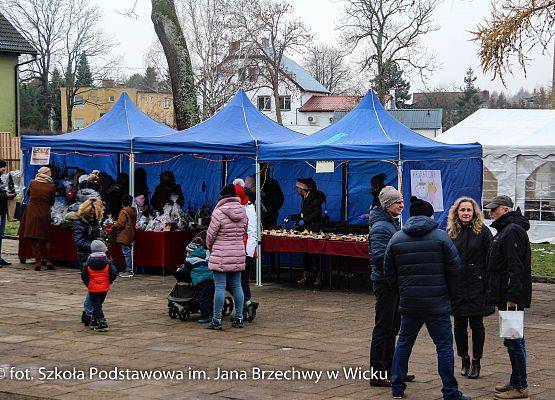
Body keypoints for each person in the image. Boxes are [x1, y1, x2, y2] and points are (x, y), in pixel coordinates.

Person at [384, 196, 471, 400]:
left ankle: (397, 388)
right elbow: (455, 269)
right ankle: (450, 391)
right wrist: (448, 295)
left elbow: (389, 272)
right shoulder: (441, 237)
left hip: (409, 304)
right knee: (444, 347)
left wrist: (402, 292)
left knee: (404, 344)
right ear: (430, 215)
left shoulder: (396, 238)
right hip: (437, 304)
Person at [484, 195, 531, 400]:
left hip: (510, 296)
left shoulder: (511, 231)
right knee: (513, 339)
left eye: (494, 209)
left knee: (514, 340)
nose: (491, 213)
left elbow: (515, 266)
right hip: (506, 295)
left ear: (505, 209)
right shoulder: (506, 229)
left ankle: (520, 387)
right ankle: (515, 380)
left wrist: (513, 296)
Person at [368, 186, 414, 387]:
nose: (402, 205)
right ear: (387, 205)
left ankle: (393, 370)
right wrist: (399, 266)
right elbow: (379, 257)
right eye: (398, 202)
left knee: (393, 328)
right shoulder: (380, 227)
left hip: (393, 283)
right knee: (384, 329)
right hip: (385, 283)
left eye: (402, 202)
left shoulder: (391, 223)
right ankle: (378, 374)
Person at [447, 197, 495, 379]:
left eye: (469, 210)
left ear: (474, 213)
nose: (466, 213)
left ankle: (476, 362)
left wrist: (487, 282)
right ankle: (464, 359)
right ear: (456, 213)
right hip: (458, 286)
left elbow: (491, 258)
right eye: (462, 210)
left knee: (477, 325)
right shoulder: (451, 232)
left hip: (477, 285)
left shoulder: (483, 232)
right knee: (459, 325)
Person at [205, 184, 247, 330]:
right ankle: (239, 317)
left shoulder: (218, 213)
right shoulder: (243, 211)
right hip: (238, 252)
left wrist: (210, 247)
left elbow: (210, 236)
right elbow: (244, 230)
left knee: (220, 287)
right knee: (237, 286)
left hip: (221, 253)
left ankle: (217, 319)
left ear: (222, 197)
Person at [66, 198, 104, 326]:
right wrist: (96, 245)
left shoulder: (94, 220)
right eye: (91, 214)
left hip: (96, 255)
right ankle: (89, 313)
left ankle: (89, 313)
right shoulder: (78, 221)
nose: (92, 216)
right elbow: (79, 242)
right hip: (85, 256)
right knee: (94, 286)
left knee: (96, 286)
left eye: (95, 214)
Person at [18, 166, 56, 271]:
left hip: (31, 212)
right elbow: (51, 202)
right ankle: (49, 262)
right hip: (44, 212)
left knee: (33, 237)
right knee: (47, 238)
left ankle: (38, 263)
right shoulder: (51, 186)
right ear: (48, 174)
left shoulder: (32, 182)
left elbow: (28, 194)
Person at [293, 178, 326, 286]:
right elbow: (305, 213)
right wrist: (296, 217)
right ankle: (305, 275)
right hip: (307, 230)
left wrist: (305, 220)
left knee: (316, 254)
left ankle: (319, 276)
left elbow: (317, 213)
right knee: (307, 253)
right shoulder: (304, 198)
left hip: (315, 229)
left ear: (302, 188)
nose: (296, 190)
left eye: (297, 188)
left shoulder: (313, 198)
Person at [81, 240, 118, 332]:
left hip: (93, 288)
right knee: (98, 304)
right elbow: (114, 273)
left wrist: (88, 284)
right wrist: (109, 281)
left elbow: (84, 275)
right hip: (104, 288)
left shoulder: (88, 263)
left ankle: (102, 322)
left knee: (96, 305)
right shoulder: (107, 262)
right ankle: (95, 321)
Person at [235, 183, 259, 322]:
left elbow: (252, 232)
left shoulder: (249, 208)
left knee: (242, 280)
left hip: (245, 249)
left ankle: (246, 306)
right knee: (235, 281)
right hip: (234, 249)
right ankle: (246, 304)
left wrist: (248, 253)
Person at [185, 233, 214, 324]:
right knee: (209, 297)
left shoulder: (194, 253)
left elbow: (188, 261)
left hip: (200, 278)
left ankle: (206, 315)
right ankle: (211, 312)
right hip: (210, 276)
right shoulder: (208, 251)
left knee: (203, 297)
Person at [113, 194, 137, 278]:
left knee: (126, 252)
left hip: (124, 234)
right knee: (128, 251)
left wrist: (113, 224)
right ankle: (128, 269)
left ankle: (128, 270)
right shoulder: (133, 211)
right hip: (131, 234)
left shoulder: (123, 212)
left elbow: (120, 224)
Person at [0, 160, 16, 266]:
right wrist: (6, 195)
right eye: (3, 167)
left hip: (2, 209)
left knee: (1, 234)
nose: (4, 169)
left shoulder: (2, 178)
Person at [259, 164, 285, 229]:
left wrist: (274, 209)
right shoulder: (256, 181)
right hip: (261, 213)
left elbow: (280, 198)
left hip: (271, 213)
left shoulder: (273, 183)